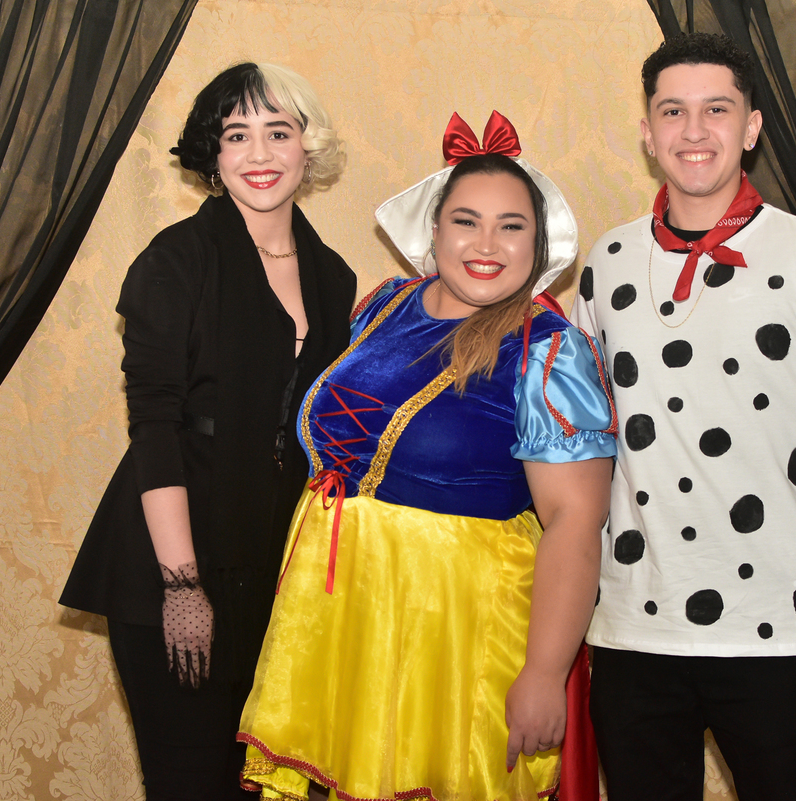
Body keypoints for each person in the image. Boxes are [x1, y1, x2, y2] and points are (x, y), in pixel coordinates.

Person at [237, 112, 617, 801]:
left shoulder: (548, 352)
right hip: (342, 615)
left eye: (512, 226)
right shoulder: (385, 304)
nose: (487, 244)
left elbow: (574, 520)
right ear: (434, 230)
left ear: (538, 243)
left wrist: (542, 670)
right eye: (467, 221)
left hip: (453, 630)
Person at [571, 32, 796, 801]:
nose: (694, 131)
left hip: (784, 632)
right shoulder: (607, 263)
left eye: (717, 109)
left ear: (751, 127)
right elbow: (577, 455)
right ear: (647, 133)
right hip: (632, 632)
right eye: (673, 111)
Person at [59, 62, 356, 801]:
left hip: (270, 576)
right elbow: (154, 426)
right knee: (188, 783)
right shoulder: (174, 261)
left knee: (254, 787)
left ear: (307, 147)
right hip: (170, 566)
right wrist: (181, 584)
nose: (258, 154)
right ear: (214, 156)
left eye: (277, 132)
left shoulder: (335, 276)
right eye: (236, 135)